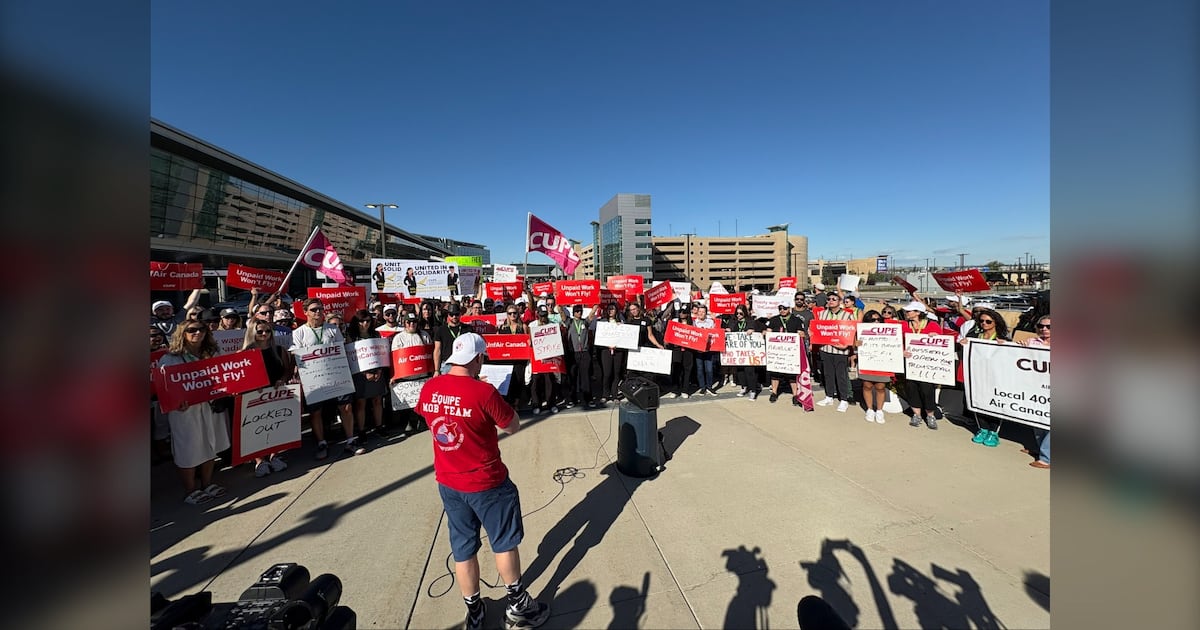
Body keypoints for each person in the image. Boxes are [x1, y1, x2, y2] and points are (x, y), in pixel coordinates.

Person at [416, 333, 551, 630]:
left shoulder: (430, 387)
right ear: (477, 359)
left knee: (463, 548)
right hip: (487, 482)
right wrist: (488, 395)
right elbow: (512, 425)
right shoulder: (485, 392)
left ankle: (474, 610)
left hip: (449, 482)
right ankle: (516, 605)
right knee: (503, 544)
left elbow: (429, 419)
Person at [158, 322, 230, 505]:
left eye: (201, 329)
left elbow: (226, 375)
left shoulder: (213, 352)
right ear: (182, 333)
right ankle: (191, 490)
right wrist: (175, 402)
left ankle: (207, 484)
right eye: (191, 330)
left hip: (210, 405)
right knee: (188, 448)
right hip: (185, 411)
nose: (197, 333)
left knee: (210, 443)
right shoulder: (170, 359)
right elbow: (164, 389)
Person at [290, 298, 367, 459]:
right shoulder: (298, 333)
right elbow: (296, 355)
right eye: (313, 310)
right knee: (316, 412)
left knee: (346, 407)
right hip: (314, 378)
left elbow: (341, 350)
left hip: (336, 374)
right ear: (305, 313)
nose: (318, 312)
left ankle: (350, 441)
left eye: (320, 309)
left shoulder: (332, 329)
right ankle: (321, 443)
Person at [241, 320, 294, 477]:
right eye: (260, 332)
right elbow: (240, 377)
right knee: (256, 428)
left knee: (275, 426)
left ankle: (274, 456)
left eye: (268, 331)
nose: (264, 334)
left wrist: (282, 380)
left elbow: (286, 370)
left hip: (275, 392)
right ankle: (259, 461)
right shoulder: (244, 354)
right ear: (252, 333)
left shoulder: (278, 350)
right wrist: (252, 385)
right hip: (254, 395)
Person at [962, 307, 1012, 448]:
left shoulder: (1003, 339)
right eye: (981, 321)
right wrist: (963, 344)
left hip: (996, 378)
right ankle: (982, 429)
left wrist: (1007, 346)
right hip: (976, 376)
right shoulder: (974, 336)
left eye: (988, 321)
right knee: (977, 403)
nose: (984, 323)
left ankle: (993, 432)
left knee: (994, 404)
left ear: (995, 322)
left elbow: (1012, 357)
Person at [346, 309, 391, 440]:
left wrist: (379, 371)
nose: (365, 323)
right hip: (360, 373)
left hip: (377, 371)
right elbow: (352, 357)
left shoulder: (376, 334)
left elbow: (381, 353)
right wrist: (365, 373)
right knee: (361, 403)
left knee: (377, 400)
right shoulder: (351, 337)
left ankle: (379, 426)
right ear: (357, 322)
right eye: (361, 321)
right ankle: (361, 430)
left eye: (367, 321)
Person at [391, 311, 434, 436]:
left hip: (423, 373)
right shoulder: (398, 338)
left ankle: (422, 420)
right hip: (407, 374)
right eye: (409, 322)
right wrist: (394, 375)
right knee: (411, 400)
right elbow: (396, 357)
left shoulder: (424, 335)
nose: (411, 324)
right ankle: (411, 422)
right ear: (404, 323)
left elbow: (429, 352)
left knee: (422, 398)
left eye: (414, 322)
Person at [854, 309, 897, 424]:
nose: (876, 322)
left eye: (879, 319)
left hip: (882, 362)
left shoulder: (888, 332)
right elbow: (854, 347)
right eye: (873, 320)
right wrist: (856, 344)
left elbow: (895, 345)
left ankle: (879, 410)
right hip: (867, 361)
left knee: (880, 387)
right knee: (867, 385)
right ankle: (869, 409)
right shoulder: (861, 331)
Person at [815, 292, 856, 412]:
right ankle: (829, 396)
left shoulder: (847, 315)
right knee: (827, 374)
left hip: (841, 351)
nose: (831, 300)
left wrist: (847, 346)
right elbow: (817, 329)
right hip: (825, 348)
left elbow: (852, 332)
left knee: (841, 375)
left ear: (839, 301)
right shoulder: (821, 314)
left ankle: (843, 399)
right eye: (829, 299)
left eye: (834, 299)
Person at [1021, 314, 1051, 469]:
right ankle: (1040, 449)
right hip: (1034, 387)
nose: (1044, 329)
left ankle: (1047, 458)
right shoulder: (1031, 341)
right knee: (1036, 418)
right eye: (1041, 326)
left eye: (1049, 327)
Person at [766, 302, 806, 403]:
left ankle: (795, 395)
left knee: (792, 373)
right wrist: (766, 332)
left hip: (790, 351)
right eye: (780, 308)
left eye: (784, 308)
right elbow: (768, 330)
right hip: (777, 351)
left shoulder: (796, 320)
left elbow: (802, 332)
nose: (782, 310)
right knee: (775, 373)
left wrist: (801, 334)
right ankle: (774, 392)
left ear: (789, 308)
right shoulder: (774, 319)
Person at [529, 305, 563, 415]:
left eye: (545, 315)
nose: (543, 318)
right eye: (541, 315)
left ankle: (551, 403)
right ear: (537, 315)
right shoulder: (532, 325)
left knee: (550, 381)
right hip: (536, 359)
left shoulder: (553, 325)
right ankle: (536, 404)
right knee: (535, 383)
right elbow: (529, 340)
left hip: (549, 358)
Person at [563, 304, 597, 408]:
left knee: (585, 376)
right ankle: (571, 400)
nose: (579, 313)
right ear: (573, 312)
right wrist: (559, 303)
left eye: (580, 311)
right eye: (577, 311)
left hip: (585, 353)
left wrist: (596, 302)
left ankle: (588, 399)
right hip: (573, 353)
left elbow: (592, 313)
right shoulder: (570, 322)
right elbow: (561, 314)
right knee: (572, 377)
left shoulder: (585, 322)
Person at [728, 305, 764, 400]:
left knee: (749, 371)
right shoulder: (733, 321)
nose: (738, 315)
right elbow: (729, 330)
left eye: (741, 313)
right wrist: (728, 330)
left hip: (749, 352)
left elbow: (762, 330)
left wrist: (753, 330)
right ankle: (744, 387)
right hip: (738, 352)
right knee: (740, 370)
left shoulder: (751, 321)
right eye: (737, 313)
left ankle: (753, 390)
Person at [595, 302, 626, 402]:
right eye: (609, 309)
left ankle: (614, 395)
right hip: (606, 350)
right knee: (607, 373)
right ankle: (605, 394)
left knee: (616, 373)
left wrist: (622, 327)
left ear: (616, 310)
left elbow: (625, 335)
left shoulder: (621, 321)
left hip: (618, 351)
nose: (610, 311)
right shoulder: (602, 322)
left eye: (612, 309)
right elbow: (599, 337)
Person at [666, 306, 698, 398]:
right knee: (676, 369)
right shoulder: (675, 321)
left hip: (688, 350)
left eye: (684, 312)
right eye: (680, 312)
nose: (681, 314)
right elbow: (670, 333)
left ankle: (685, 390)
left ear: (687, 314)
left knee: (687, 370)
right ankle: (675, 390)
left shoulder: (693, 323)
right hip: (677, 349)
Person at [433, 303, 472, 368]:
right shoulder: (441, 330)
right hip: (447, 364)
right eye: (451, 314)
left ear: (460, 314)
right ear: (448, 315)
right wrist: (436, 370)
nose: (454, 317)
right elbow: (437, 350)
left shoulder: (468, 329)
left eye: (456, 314)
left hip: (463, 363)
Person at [692, 304, 719, 396]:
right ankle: (702, 387)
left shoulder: (710, 322)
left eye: (703, 312)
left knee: (709, 369)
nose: (701, 313)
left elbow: (715, 333)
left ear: (706, 313)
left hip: (709, 350)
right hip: (698, 350)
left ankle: (710, 387)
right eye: (699, 311)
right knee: (700, 369)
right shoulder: (694, 322)